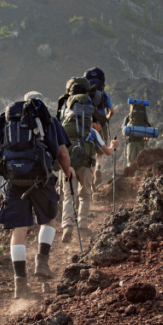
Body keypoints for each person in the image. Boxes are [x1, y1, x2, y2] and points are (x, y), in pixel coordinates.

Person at [0, 92, 73, 298]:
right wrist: (68, 174)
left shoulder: (6, 120)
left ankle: (20, 284)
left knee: (19, 230)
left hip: (14, 182)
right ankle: (42, 263)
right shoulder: (49, 121)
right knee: (48, 221)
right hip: (41, 179)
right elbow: (62, 154)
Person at [58, 79, 118, 242]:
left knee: (69, 195)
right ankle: (83, 226)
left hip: (68, 165)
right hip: (85, 166)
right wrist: (114, 145)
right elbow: (107, 153)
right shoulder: (92, 132)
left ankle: (67, 226)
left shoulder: (63, 127)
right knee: (85, 195)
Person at [84, 67, 115, 184]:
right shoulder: (104, 94)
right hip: (100, 125)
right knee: (100, 152)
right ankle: (99, 169)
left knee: (90, 152)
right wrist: (106, 119)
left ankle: (90, 175)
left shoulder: (85, 94)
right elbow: (112, 111)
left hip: (88, 125)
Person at [124, 96, 154, 166]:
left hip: (131, 142)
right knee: (140, 162)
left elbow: (124, 130)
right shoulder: (143, 118)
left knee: (131, 162)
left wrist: (126, 137)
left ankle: (131, 175)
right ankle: (138, 175)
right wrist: (146, 139)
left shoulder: (129, 118)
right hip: (141, 142)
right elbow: (149, 130)